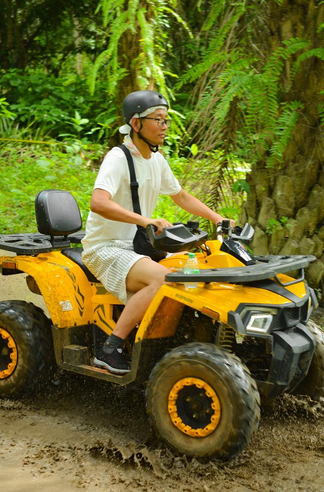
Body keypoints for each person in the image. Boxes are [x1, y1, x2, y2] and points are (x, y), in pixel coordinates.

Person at [82, 90, 226, 375]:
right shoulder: (118, 157)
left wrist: (218, 218)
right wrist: (146, 220)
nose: (164, 126)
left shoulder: (156, 161)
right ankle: (111, 349)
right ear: (136, 124)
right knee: (162, 279)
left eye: (166, 120)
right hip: (106, 247)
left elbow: (181, 196)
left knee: (194, 271)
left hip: (137, 246)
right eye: (157, 120)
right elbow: (98, 203)